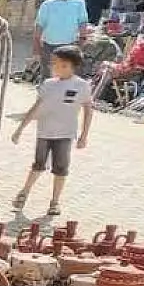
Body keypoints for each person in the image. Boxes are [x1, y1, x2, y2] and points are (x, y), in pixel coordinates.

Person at [10, 45, 93, 217]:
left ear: (67, 65)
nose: (52, 66)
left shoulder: (82, 86)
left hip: (65, 134)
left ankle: (54, 202)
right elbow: (36, 107)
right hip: (45, 132)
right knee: (38, 165)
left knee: (61, 169)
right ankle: (24, 193)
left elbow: (88, 110)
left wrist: (84, 135)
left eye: (55, 63)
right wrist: (20, 128)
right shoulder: (48, 84)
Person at [35, 0, 89, 69]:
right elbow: (39, 26)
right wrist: (37, 49)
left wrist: (82, 41)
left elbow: (82, 22)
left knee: (67, 74)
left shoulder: (79, 2)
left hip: (70, 45)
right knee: (48, 75)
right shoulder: (47, 4)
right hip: (49, 46)